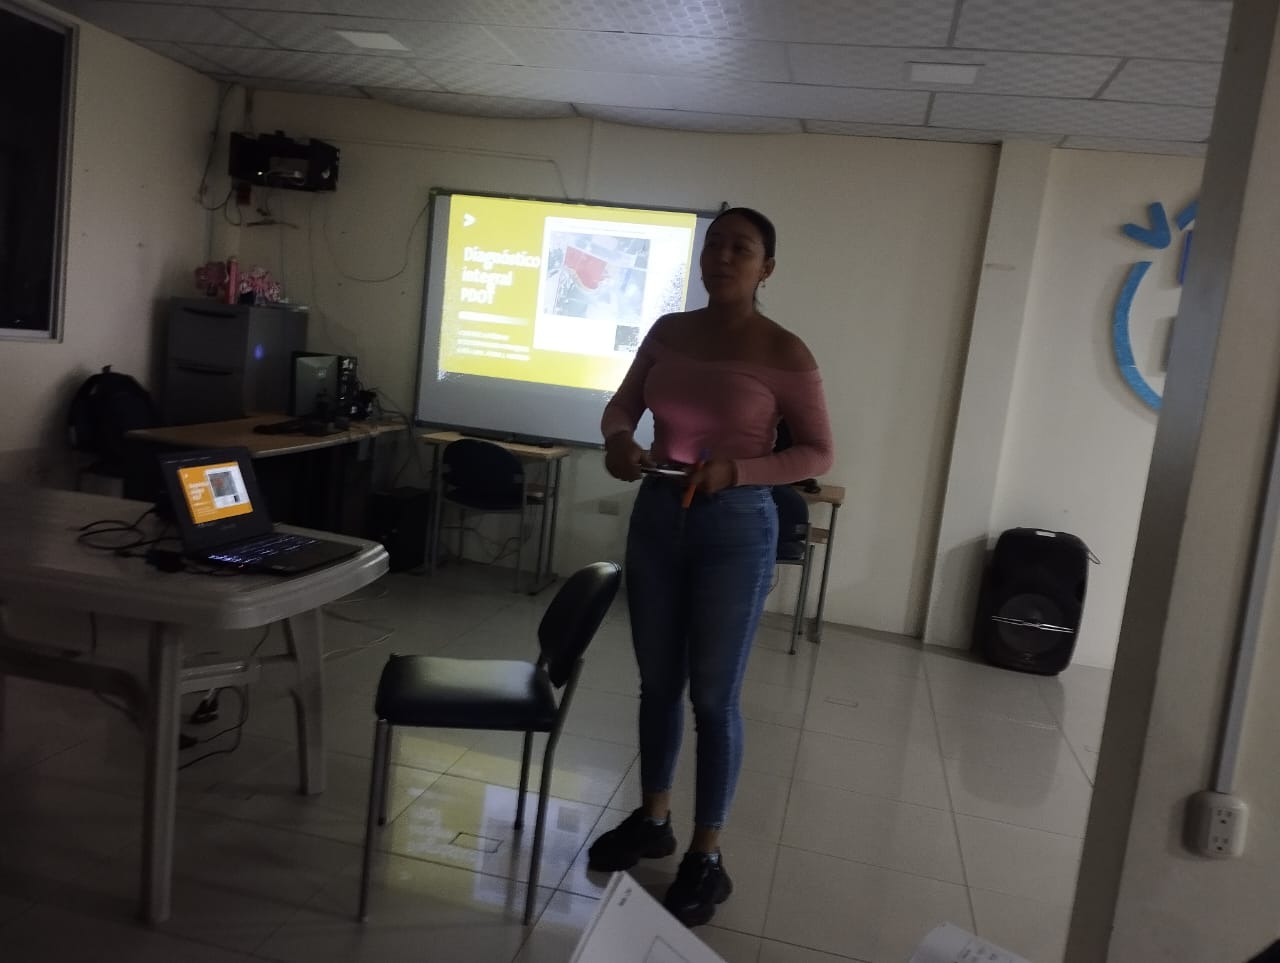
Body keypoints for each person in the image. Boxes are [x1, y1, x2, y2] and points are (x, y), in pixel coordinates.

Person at [587, 207, 834, 926]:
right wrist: (618, 441)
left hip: (735, 526)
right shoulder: (669, 331)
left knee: (714, 699)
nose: (722, 257)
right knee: (658, 683)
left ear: (767, 268)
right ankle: (654, 818)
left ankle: (707, 854)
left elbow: (817, 451)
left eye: (741, 248)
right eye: (714, 244)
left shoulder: (785, 351)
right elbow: (620, 408)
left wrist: (739, 470)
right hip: (657, 516)